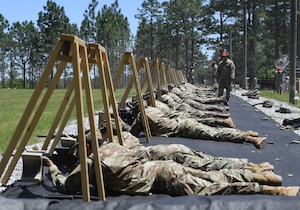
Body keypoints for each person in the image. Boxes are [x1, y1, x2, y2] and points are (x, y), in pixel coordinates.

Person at [42, 132, 299, 196]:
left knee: (215, 188)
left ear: (87, 147)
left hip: (165, 177)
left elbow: (65, 186)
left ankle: (272, 190)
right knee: (211, 176)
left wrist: (51, 166)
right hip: (165, 168)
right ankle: (254, 172)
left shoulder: (90, 161)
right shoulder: (114, 147)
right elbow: (134, 143)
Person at [130, 105, 266, 149]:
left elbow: (132, 134)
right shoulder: (153, 109)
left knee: (214, 134)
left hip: (183, 127)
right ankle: (246, 133)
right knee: (213, 130)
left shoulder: (142, 115)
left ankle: (250, 139)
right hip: (183, 122)